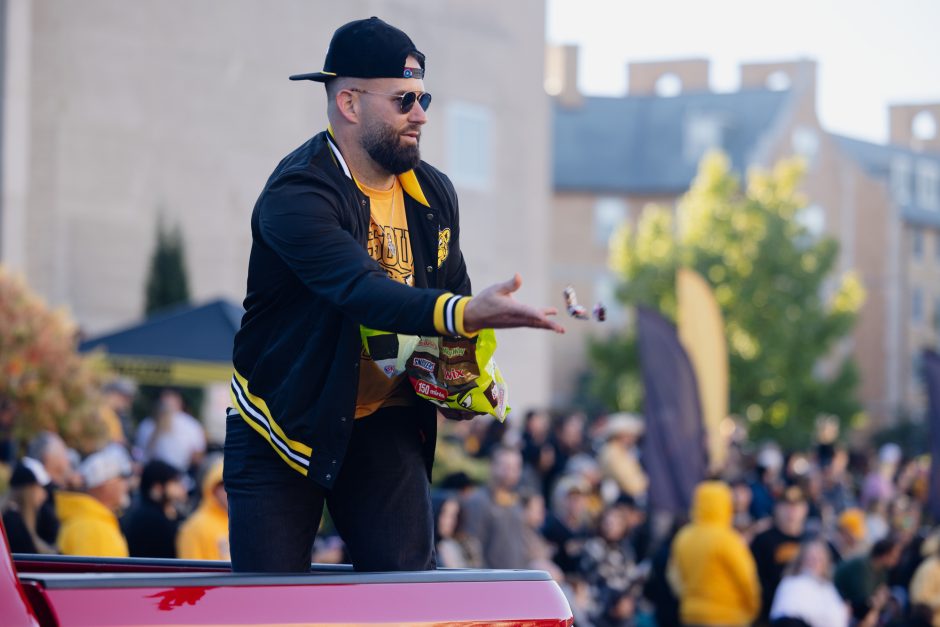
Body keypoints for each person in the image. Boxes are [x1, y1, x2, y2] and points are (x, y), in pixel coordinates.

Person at [225, 16, 562, 574]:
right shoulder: (296, 193)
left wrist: (460, 380)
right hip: (283, 425)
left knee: (409, 597)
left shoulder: (432, 191)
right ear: (350, 103)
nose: (422, 113)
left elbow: (450, 294)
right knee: (269, 608)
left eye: (424, 96)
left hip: (383, 419)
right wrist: (464, 314)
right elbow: (361, 291)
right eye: (405, 99)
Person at [668, 481, 761, 627]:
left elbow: (674, 577)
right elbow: (746, 578)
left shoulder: (683, 536)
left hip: (691, 615)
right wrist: (752, 609)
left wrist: (690, 598)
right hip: (726, 615)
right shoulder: (728, 539)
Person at [56, 444, 133, 557]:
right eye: (121, 478)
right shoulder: (95, 528)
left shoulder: (91, 519)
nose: (126, 485)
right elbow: (99, 574)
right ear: (104, 485)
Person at [460, 446, 529, 569]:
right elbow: (471, 547)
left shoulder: (516, 501)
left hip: (516, 578)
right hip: (491, 581)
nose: (510, 473)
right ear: (492, 466)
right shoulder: (478, 501)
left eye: (515, 467)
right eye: (505, 467)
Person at [750, 485, 808, 623]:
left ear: (804, 509)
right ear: (777, 508)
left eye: (796, 506)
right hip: (770, 614)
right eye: (786, 505)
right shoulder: (763, 540)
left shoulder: (811, 540)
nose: (791, 511)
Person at [769, 539, 849, 627]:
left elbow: (837, 620)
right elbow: (785, 612)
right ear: (801, 560)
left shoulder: (828, 589)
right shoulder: (790, 582)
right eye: (810, 558)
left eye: (819, 559)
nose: (814, 562)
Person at [121, 460, 187, 558]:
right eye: (174, 482)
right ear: (158, 487)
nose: (180, 487)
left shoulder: (169, 513)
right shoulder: (149, 519)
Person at [177, 458, 229, 561]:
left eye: (234, 484)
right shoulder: (194, 526)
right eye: (223, 485)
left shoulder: (242, 522)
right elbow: (191, 571)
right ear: (212, 488)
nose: (229, 490)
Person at [1, 458, 56, 554]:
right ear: (28, 491)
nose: (43, 494)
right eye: (38, 488)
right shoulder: (13, 521)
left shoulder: (11, 516)